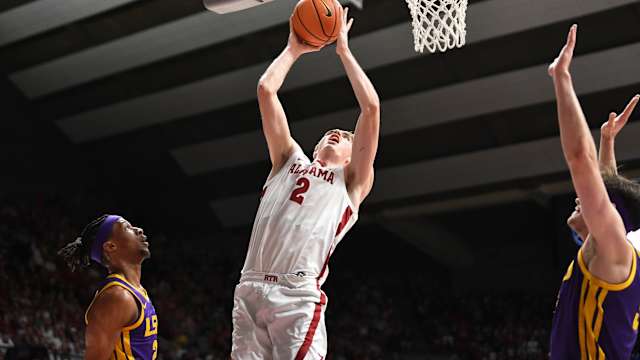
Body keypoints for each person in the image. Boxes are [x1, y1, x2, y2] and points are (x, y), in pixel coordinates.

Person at [231, 4, 380, 359]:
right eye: (330, 132)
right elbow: (267, 89)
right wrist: (294, 49)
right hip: (249, 286)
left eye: (344, 136)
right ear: (313, 145)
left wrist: (343, 51)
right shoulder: (287, 160)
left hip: (295, 295)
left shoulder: (351, 181)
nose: (335, 134)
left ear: (351, 154)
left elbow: (371, 109)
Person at [548, 24, 640, 359]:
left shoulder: (616, 253)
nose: (579, 196)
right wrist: (607, 141)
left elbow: (579, 159)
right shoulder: (615, 252)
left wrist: (562, 78)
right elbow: (605, 186)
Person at [58, 215, 158, 360]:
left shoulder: (135, 290)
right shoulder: (117, 296)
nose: (139, 230)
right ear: (110, 247)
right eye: (127, 228)